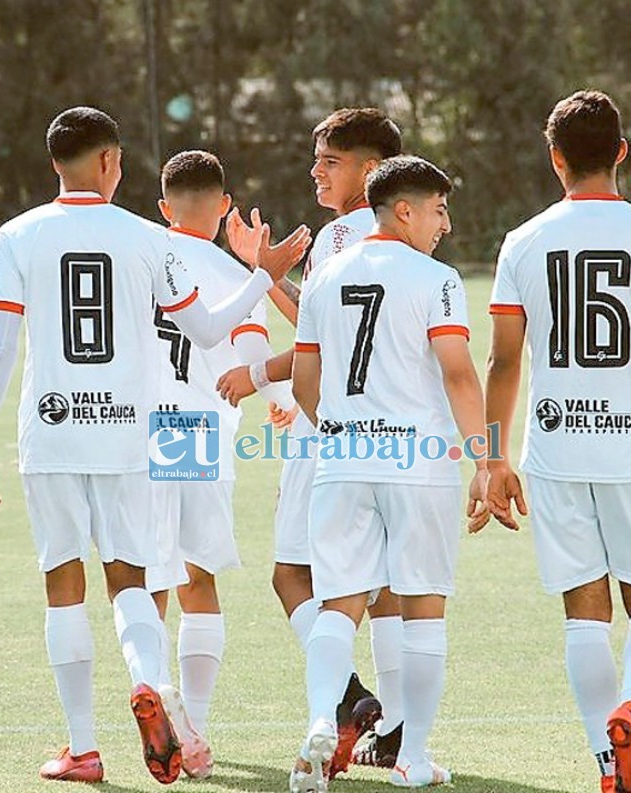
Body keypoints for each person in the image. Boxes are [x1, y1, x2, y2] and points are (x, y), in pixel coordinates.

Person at [0, 106, 308, 784]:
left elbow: (1, 345)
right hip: (155, 432)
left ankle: (83, 747)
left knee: (64, 584)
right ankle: (171, 703)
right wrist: (261, 275)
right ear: (110, 163)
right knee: (155, 578)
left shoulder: (16, 234)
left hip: (55, 428)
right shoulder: (147, 241)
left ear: (55, 164)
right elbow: (219, 332)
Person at [486, 90, 631, 793]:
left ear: (554, 157)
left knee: (583, 612)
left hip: (555, 450)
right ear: (621, 152)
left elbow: (503, 360)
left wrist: (489, 456)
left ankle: (607, 759)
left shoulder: (522, 241)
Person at [291, 155, 489, 791]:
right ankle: (414, 757)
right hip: (419, 465)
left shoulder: (323, 276)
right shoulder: (436, 278)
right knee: (424, 606)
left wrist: (345, 433)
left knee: (339, 604)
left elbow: (303, 383)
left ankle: (323, 718)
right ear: (404, 210)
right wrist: (487, 458)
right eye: (438, 210)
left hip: (341, 461)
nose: (446, 224)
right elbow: (458, 373)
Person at [220, 108, 407, 776]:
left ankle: (350, 699)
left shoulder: (341, 234)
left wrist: (256, 369)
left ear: (369, 170)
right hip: (392, 424)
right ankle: (397, 733)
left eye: (329, 160)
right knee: (382, 582)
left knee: (292, 572)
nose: (315, 171)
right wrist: (265, 272)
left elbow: (315, 334)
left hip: (327, 425)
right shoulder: (400, 230)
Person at [145, 149, 294, 779]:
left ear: (162, 208)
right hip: (195, 428)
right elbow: (250, 343)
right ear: (226, 206)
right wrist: (281, 399)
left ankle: (152, 694)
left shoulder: (141, 250)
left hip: (135, 428)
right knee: (197, 580)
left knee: (146, 580)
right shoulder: (234, 271)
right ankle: (195, 726)